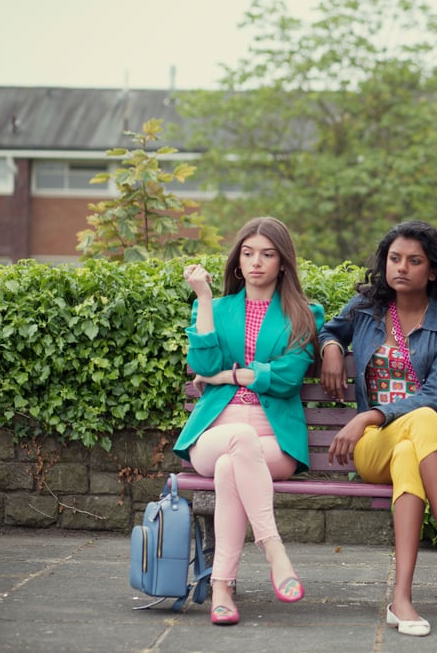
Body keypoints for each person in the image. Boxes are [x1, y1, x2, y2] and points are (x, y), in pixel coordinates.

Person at [318, 220, 437, 637]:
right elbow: (331, 328)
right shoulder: (364, 309)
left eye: (414, 261)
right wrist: (331, 347)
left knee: (415, 439)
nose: (401, 268)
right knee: (411, 433)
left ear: (431, 270)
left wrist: (368, 414)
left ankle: (401, 599)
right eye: (394, 259)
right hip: (372, 449)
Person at [174, 216, 325, 626]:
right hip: (214, 432)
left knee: (231, 466)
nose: (256, 261)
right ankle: (274, 549)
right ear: (237, 262)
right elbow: (202, 363)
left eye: (268, 254)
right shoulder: (215, 309)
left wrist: (232, 375)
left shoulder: (304, 313)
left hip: (275, 441)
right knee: (235, 441)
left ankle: (222, 585)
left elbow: (288, 376)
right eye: (248, 253)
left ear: (282, 262)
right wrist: (203, 297)